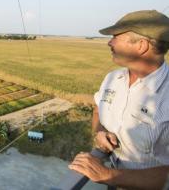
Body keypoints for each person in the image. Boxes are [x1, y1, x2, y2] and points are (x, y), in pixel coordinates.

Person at [69, 10, 169, 189]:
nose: (109, 42)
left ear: (141, 46)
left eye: (115, 36)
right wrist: (100, 132)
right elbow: (98, 108)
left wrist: (107, 174)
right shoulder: (112, 79)